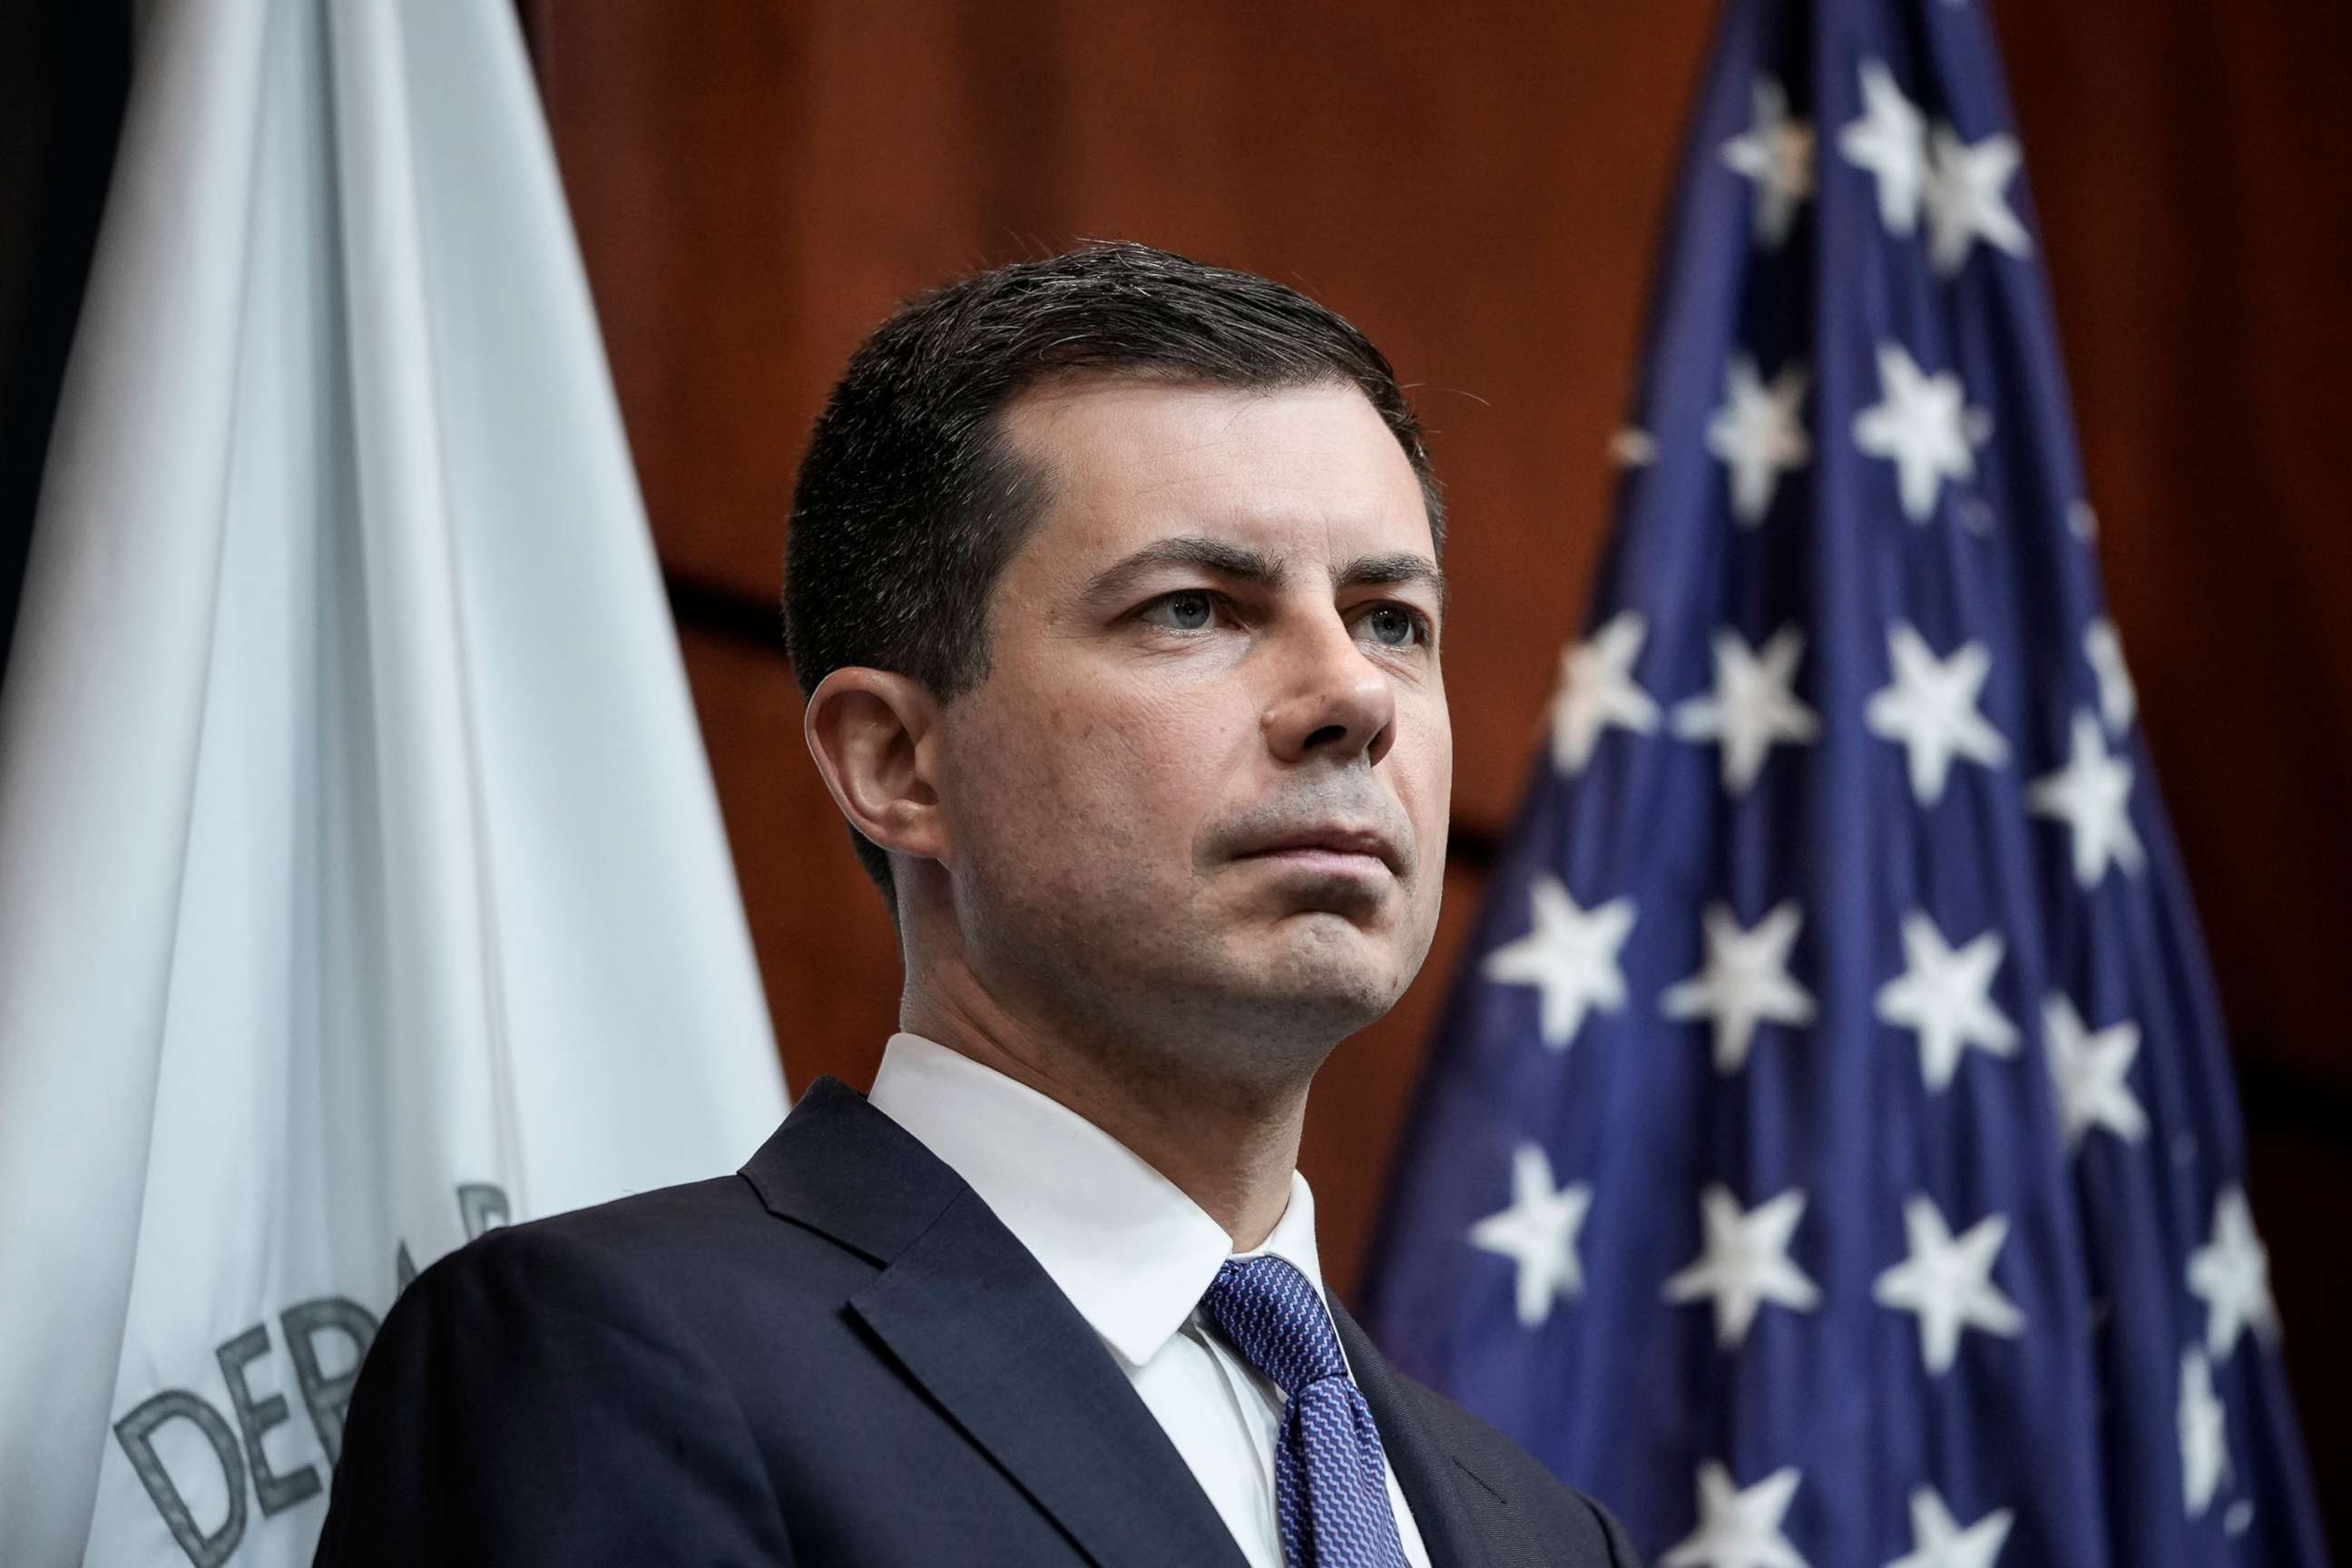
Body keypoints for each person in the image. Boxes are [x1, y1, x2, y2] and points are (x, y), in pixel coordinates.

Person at [314, 242, 1641, 1568]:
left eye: (1391, 619)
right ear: (896, 762)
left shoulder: (1550, 1536)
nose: (1352, 696)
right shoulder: (611, 1360)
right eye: (1195, 609)